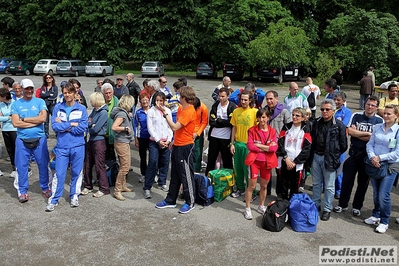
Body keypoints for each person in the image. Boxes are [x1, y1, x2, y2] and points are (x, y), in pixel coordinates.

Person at [334, 96, 383, 216]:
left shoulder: (379, 121)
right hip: (353, 153)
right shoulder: (356, 115)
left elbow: (376, 138)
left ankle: (357, 206)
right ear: (365, 104)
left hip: (368, 156)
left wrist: (358, 134)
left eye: (373, 105)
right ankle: (342, 204)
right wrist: (367, 134)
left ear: (376, 107)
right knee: (347, 180)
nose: (369, 107)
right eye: (368, 104)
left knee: (363, 183)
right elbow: (349, 131)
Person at [46, 82, 88, 211]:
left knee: (76, 172)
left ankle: (74, 195)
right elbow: (55, 127)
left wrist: (66, 125)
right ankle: (54, 199)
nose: (67, 95)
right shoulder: (58, 108)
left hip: (78, 146)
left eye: (70, 92)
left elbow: (83, 127)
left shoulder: (82, 109)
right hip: (62, 147)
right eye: (65, 93)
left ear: (75, 93)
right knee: (59, 173)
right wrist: (72, 124)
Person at [155, 86, 197, 214]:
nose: (177, 97)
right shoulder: (181, 108)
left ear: (184, 97)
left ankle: (190, 202)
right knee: (175, 174)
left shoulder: (189, 111)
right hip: (178, 145)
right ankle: (170, 200)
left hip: (186, 146)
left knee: (186, 175)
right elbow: (179, 130)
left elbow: (174, 127)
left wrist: (165, 113)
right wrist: (174, 141)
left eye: (179, 95)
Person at [10, 79, 51, 203]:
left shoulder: (40, 101)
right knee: (21, 166)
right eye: (26, 88)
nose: (29, 91)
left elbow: (43, 118)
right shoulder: (16, 104)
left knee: (43, 164)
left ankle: (45, 188)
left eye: (31, 88)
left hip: (40, 138)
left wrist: (24, 120)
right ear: (22, 89)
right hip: (22, 140)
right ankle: (22, 191)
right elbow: (15, 122)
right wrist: (34, 121)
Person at [310, 99, 347, 221]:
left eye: (327, 109)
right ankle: (316, 204)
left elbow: (343, 145)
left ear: (333, 110)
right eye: (322, 109)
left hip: (329, 159)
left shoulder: (339, 125)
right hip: (316, 156)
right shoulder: (316, 122)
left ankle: (327, 208)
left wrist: (334, 155)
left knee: (329, 186)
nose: (324, 111)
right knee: (316, 184)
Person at [364, 104, 399, 233]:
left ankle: (384, 221)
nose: (385, 116)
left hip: (390, 166)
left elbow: (397, 152)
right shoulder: (378, 127)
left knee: (383, 195)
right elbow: (370, 144)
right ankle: (376, 215)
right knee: (376, 192)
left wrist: (380, 158)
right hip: (375, 164)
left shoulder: (397, 131)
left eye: (389, 114)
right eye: (385, 113)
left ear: (396, 115)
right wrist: (373, 157)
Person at [243, 109, 278, 220]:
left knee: (264, 186)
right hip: (254, 162)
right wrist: (266, 147)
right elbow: (250, 146)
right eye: (260, 117)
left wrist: (259, 146)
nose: (262, 119)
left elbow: (273, 148)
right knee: (252, 186)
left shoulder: (272, 131)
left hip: (267, 162)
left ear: (268, 118)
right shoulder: (252, 130)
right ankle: (247, 208)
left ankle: (261, 206)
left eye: (264, 117)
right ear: (257, 118)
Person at [277, 107, 312, 200]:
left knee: (295, 185)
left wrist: (294, 162)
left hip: (297, 163)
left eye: (297, 115)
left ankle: (292, 204)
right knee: (283, 183)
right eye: (293, 115)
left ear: (303, 117)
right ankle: (283, 203)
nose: (294, 117)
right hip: (285, 160)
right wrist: (286, 158)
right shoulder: (286, 126)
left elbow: (307, 148)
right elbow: (280, 142)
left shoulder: (306, 129)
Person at [143, 92, 173, 199]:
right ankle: (147, 186)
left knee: (165, 162)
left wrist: (168, 140)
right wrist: (158, 140)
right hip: (155, 142)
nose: (160, 103)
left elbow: (170, 126)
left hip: (166, 141)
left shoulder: (167, 110)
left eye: (161, 100)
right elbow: (150, 128)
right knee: (153, 162)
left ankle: (162, 182)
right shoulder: (151, 111)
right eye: (157, 100)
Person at [230, 90, 258, 198]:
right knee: (238, 169)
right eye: (241, 99)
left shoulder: (255, 112)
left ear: (250, 100)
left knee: (249, 171)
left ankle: (252, 192)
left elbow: (258, 129)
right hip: (238, 144)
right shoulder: (236, 111)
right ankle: (240, 188)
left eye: (245, 100)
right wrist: (232, 144)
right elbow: (234, 128)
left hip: (249, 146)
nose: (243, 101)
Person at [264, 90, 292, 196]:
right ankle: (266, 190)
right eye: (267, 99)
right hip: (267, 145)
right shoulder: (265, 110)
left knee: (279, 171)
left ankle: (280, 193)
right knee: (267, 169)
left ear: (276, 98)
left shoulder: (284, 111)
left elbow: (289, 129)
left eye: (271, 98)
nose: (269, 101)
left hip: (279, 145)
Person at [82, 92, 109, 198]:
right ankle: (88, 186)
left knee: (99, 165)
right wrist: (91, 125)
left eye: (92, 100)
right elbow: (87, 122)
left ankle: (104, 188)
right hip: (91, 140)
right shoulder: (95, 110)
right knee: (87, 164)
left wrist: (92, 126)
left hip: (99, 141)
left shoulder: (103, 113)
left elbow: (95, 129)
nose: (90, 102)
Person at [205, 87, 235, 176]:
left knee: (227, 161)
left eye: (223, 96)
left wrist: (219, 120)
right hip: (214, 136)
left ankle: (229, 181)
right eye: (219, 96)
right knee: (211, 159)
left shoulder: (232, 106)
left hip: (226, 138)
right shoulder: (215, 105)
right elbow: (211, 121)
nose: (220, 98)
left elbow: (231, 122)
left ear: (228, 96)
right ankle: (208, 179)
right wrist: (222, 122)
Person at [110, 95, 135, 201]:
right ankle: (117, 190)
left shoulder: (122, 112)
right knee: (125, 166)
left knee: (124, 165)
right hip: (122, 142)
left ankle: (123, 185)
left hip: (123, 141)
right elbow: (114, 127)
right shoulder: (121, 114)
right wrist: (125, 128)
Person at [333, 91, 352, 199]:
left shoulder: (347, 112)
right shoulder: (330, 108)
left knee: (339, 167)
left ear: (343, 101)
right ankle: (324, 186)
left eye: (338, 100)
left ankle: (339, 190)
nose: (335, 102)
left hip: (340, 144)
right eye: (334, 99)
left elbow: (343, 126)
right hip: (328, 143)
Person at [0, 87, 17, 177]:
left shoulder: (15, 103)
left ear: (3, 96)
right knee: (9, 150)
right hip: (5, 129)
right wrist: (8, 117)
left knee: (16, 149)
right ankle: (13, 168)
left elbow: (16, 117)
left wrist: (5, 117)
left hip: (14, 129)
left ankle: (20, 168)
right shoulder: (1, 105)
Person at [134, 93, 151, 183]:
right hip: (142, 137)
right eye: (142, 100)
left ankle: (153, 174)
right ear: (140, 102)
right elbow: (135, 126)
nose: (145, 101)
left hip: (152, 137)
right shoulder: (138, 112)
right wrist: (136, 138)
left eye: (146, 99)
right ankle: (143, 174)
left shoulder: (153, 111)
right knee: (143, 157)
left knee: (153, 157)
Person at [102, 83, 118, 160]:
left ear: (113, 92)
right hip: (104, 133)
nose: (108, 95)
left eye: (110, 93)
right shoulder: (100, 103)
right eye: (106, 93)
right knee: (107, 154)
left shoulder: (117, 103)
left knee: (116, 154)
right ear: (103, 94)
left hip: (115, 134)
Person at [39, 73, 58, 138]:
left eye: (49, 78)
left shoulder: (55, 87)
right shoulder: (43, 87)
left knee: (55, 119)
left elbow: (54, 96)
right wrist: (49, 94)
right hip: (45, 105)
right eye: (47, 78)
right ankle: (46, 134)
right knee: (46, 121)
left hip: (52, 105)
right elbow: (41, 95)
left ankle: (57, 132)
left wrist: (46, 95)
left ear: (52, 79)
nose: (48, 79)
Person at [193, 97, 209, 173]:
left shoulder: (203, 107)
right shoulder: (187, 106)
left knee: (198, 152)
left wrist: (197, 133)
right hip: (188, 132)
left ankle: (196, 169)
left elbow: (205, 122)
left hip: (198, 132)